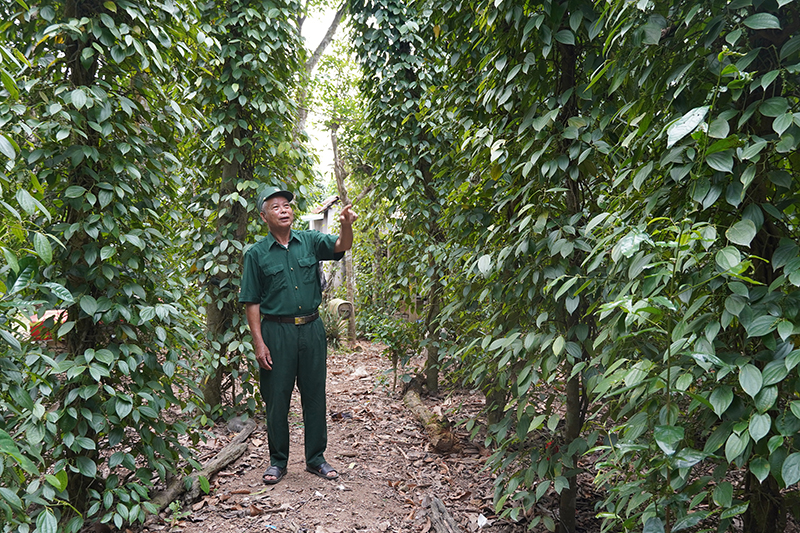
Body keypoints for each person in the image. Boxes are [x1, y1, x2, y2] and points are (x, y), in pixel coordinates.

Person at [239, 185, 357, 485]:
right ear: (264, 216)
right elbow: (251, 300)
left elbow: (342, 246)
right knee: (277, 398)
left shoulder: (310, 241)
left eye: (287, 205)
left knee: (315, 396)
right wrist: (259, 342)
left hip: (312, 329)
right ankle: (278, 461)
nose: (284, 210)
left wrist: (345, 225)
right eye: (276, 206)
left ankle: (316, 459)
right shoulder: (256, 254)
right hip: (276, 331)